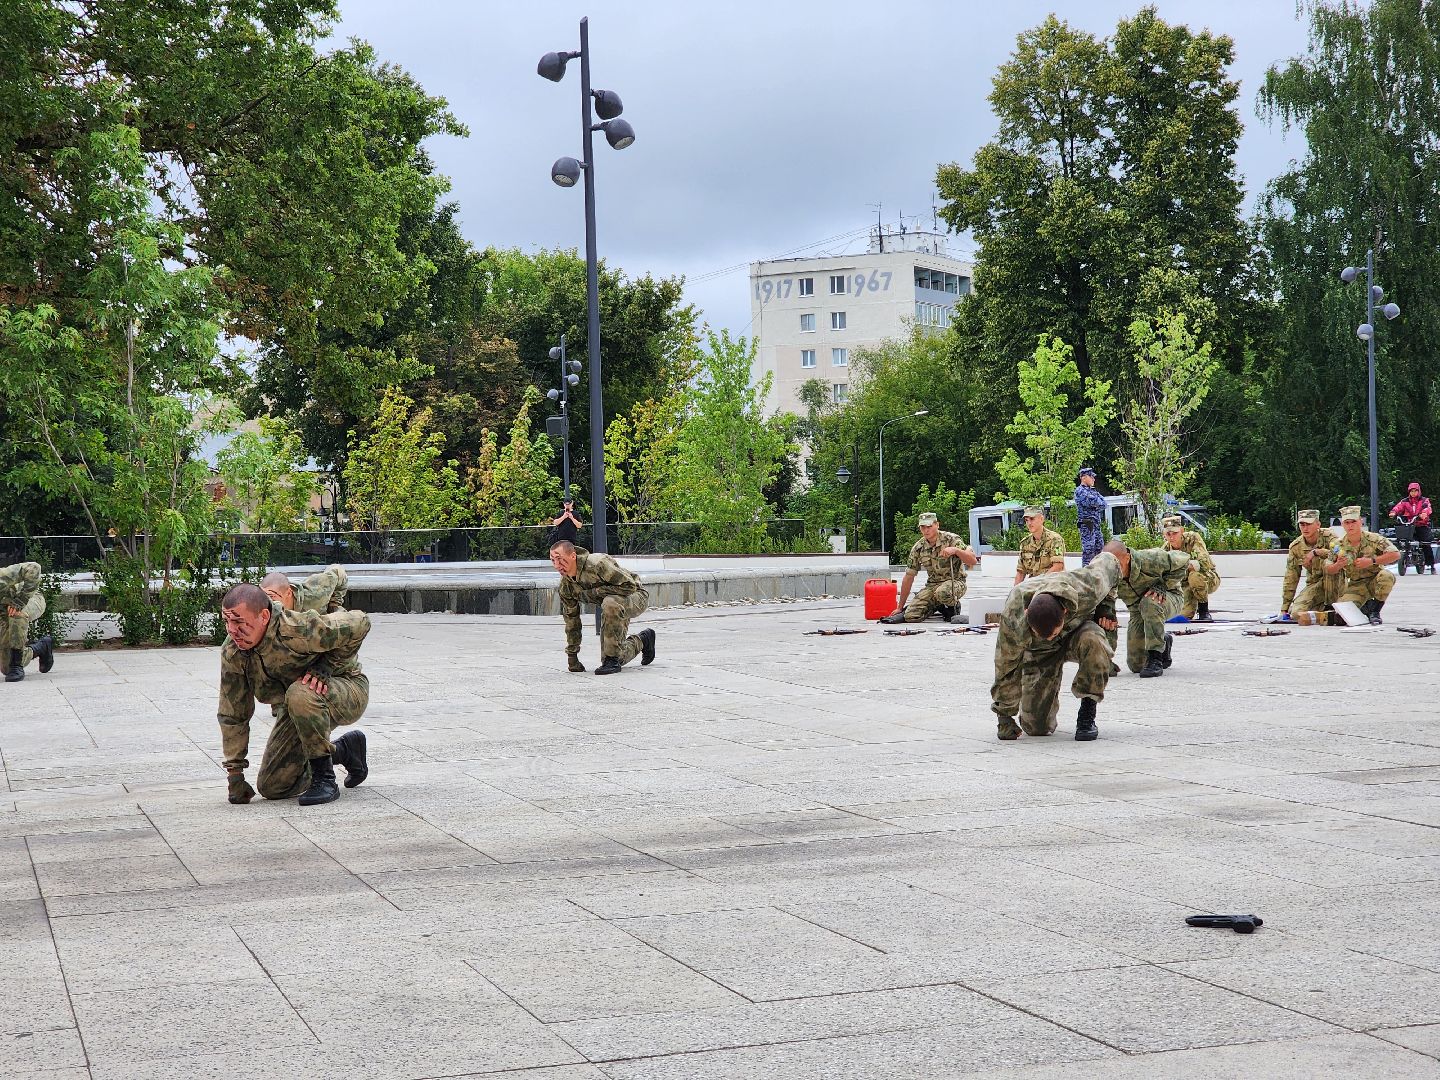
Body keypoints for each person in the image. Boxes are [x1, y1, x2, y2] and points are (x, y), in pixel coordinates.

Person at [217, 583, 371, 806]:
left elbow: (360, 622)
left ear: (264, 616)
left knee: (300, 692)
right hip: (297, 706)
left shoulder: (297, 628)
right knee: (273, 786)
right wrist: (235, 775)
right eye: (227, 621)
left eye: (239, 622)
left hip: (347, 689)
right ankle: (346, 751)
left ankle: (325, 780)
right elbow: (233, 713)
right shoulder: (234, 652)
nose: (232, 630)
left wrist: (326, 666)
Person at [991, 540, 1128, 742]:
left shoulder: (1087, 586)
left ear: (1064, 612)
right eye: (1042, 634)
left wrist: (1105, 608)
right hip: (1041, 653)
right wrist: (1004, 717)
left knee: (1095, 641)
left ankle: (1087, 712)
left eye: (1053, 633)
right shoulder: (1014, 616)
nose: (1049, 637)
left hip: (1077, 634)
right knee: (1036, 728)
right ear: (1027, 613)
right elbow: (1005, 665)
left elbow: (1110, 561)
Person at [550, 539, 655, 675]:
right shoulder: (566, 586)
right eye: (553, 560)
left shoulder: (597, 564)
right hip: (614, 605)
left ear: (573, 556)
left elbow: (629, 586)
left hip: (635, 596)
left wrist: (595, 592)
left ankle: (612, 660)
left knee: (609, 603)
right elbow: (572, 621)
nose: (557, 565)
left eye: (559, 559)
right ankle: (643, 640)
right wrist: (572, 657)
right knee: (616, 656)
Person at [880, 512, 979, 624]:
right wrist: (900, 607)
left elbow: (972, 561)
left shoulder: (951, 539)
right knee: (911, 616)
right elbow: (909, 577)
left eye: (929, 526)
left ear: (937, 525)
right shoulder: (918, 548)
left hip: (955, 582)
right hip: (933, 585)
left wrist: (956, 551)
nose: (926, 530)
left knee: (943, 593)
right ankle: (938, 606)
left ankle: (952, 606)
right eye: (923, 527)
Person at [1114, 544, 1190, 677]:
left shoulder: (1150, 558)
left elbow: (1184, 559)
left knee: (1150, 602)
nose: (1113, 568)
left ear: (1127, 558)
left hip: (1167, 597)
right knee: (1137, 665)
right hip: (1137, 610)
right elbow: (1104, 605)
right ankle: (1163, 640)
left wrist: (1163, 585)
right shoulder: (1107, 573)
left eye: (1117, 563)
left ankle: (1156, 658)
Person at [1326, 505, 1400, 625]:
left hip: (1375, 580)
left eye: (1353, 522)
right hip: (1356, 584)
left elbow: (1395, 554)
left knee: (1387, 576)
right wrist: (1338, 565)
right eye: (1347, 522)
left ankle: (1375, 611)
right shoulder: (1338, 545)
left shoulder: (1374, 538)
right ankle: (1365, 607)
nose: (1350, 525)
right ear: (1342, 524)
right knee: (1341, 617)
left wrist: (1372, 561)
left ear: (1360, 522)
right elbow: (1328, 568)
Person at [1282, 510, 1343, 623]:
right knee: (1296, 614)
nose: (1305, 528)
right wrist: (1284, 608)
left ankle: (1332, 606)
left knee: (1328, 564)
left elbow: (1340, 554)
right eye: (1302, 524)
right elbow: (1291, 577)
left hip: (1337, 584)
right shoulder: (1296, 547)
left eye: (1309, 524)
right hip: (1315, 585)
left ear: (1318, 524)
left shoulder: (1329, 536)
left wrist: (1317, 552)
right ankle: (1324, 611)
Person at [1, 560, 55, 683]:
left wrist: (20, 601)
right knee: (6, 667)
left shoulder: (2, 577)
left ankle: (16, 666)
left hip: (31, 599)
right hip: (4, 612)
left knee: (16, 614)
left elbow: (34, 568)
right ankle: (42, 647)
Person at [1161, 515, 1221, 622]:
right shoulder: (1165, 550)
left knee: (1194, 575)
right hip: (1184, 585)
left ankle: (1203, 611)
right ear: (1164, 534)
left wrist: (1178, 565)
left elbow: (1203, 562)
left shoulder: (1193, 539)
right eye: (1168, 534)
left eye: (1175, 533)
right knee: (1183, 616)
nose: (1171, 537)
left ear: (1181, 531)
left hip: (1207, 578)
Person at [261, 564, 349, 613]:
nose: (268, 602)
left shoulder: (315, 592)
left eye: (271, 597)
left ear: (288, 593)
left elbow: (338, 571)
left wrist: (334, 604)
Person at [1389, 482, 1435, 574]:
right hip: (1409, 525)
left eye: (1415, 491)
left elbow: (1427, 508)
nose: (1413, 493)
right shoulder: (1405, 501)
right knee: (1403, 540)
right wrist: (1393, 512)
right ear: (1409, 492)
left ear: (1419, 491)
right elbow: (1398, 507)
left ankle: (1431, 566)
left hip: (1421, 524)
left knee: (1425, 544)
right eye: (1411, 491)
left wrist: (1424, 513)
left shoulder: (1424, 500)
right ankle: (1405, 556)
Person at [1014, 506, 1067, 585]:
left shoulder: (1054, 539)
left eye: (1032, 519)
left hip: (1053, 583)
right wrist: (1015, 590)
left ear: (1042, 519)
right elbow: (1021, 572)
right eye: (1026, 520)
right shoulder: (1025, 543)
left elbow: (1058, 567)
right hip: (1034, 585)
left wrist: (1038, 583)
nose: (1029, 523)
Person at [1074, 467, 1106, 565]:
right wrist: (1096, 503)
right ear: (1083, 478)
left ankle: (1098, 571)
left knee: (1099, 549)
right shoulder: (1080, 491)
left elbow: (1103, 504)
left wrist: (1096, 503)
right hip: (1087, 525)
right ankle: (1086, 572)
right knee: (1089, 551)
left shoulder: (1093, 491)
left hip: (1096, 525)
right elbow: (1094, 502)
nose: (1093, 479)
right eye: (1091, 477)